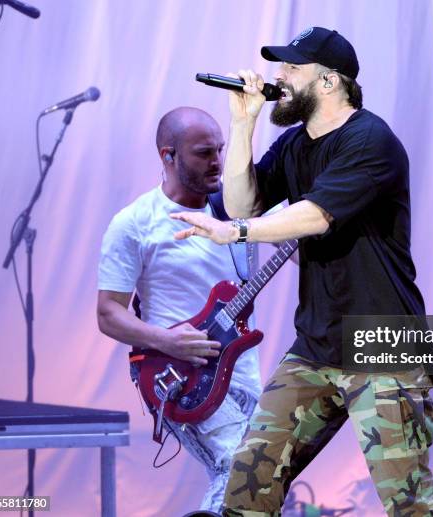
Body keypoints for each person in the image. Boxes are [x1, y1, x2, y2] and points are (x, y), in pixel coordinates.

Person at [169, 28, 433, 517]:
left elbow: (314, 216)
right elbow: (242, 203)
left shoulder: (370, 141)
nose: (279, 77)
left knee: (410, 504)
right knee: (248, 486)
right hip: (316, 345)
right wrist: (243, 124)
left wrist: (235, 232)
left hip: (382, 343)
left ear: (327, 82)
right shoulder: (296, 144)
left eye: (292, 69)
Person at [96, 107, 262, 513]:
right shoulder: (135, 222)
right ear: (167, 155)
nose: (218, 162)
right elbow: (108, 313)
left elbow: (297, 248)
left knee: (261, 478)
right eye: (205, 152)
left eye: (220, 150)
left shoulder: (239, 207)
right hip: (181, 377)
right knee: (242, 469)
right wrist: (167, 340)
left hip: (244, 371)